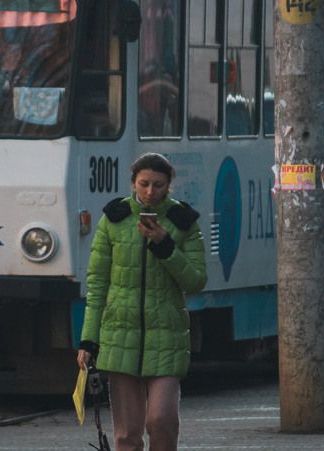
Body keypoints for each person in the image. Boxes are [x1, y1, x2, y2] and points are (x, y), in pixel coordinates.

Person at [77, 152, 207, 451]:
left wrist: (165, 244)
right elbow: (97, 283)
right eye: (144, 184)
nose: (150, 192)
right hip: (119, 335)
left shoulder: (183, 222)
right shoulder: (114, 219)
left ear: (169, 185)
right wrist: (88, 340)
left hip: (167, 336)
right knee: (126, 435)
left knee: (162, 420)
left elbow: (196, 281)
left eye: (158, 185)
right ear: (133, 183)